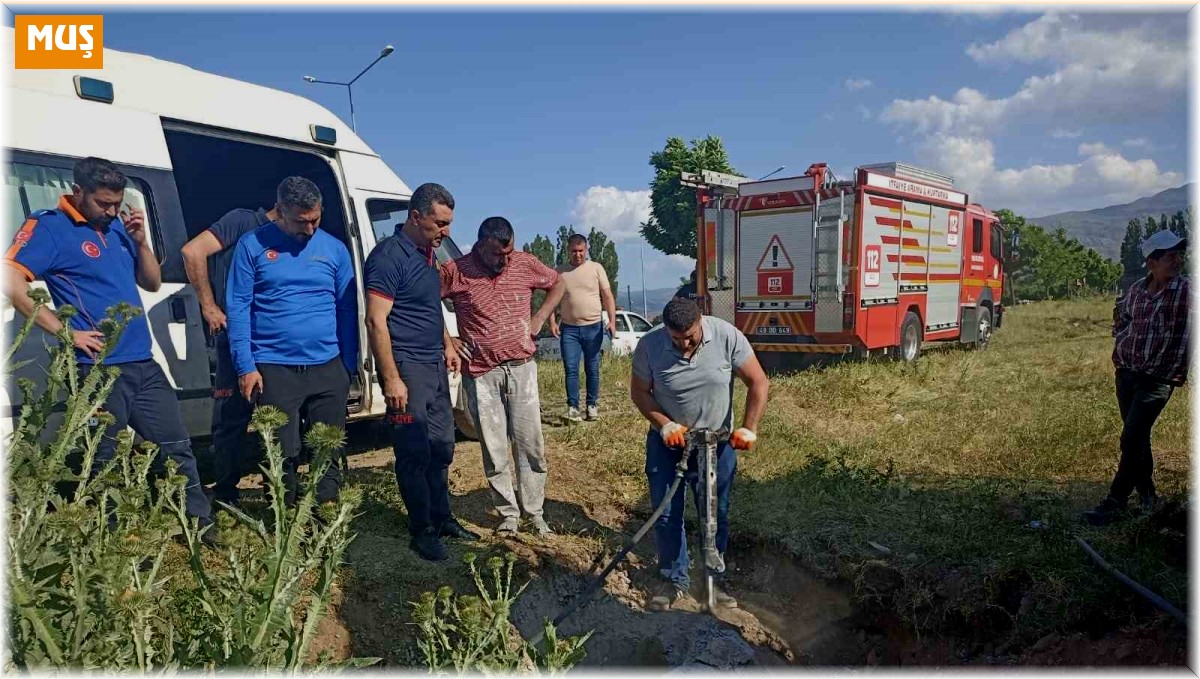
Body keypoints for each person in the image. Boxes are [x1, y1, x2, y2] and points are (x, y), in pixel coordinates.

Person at [3, 156, 216, 543]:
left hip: (143, 363)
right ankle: (111, 536)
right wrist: (66, 332)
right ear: (78, 192)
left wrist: (141, 242)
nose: (112, 210)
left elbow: (151, 284)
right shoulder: (50, 228)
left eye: (117, 203)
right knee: (103, 459)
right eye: (104, 204)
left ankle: (198, 527)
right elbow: (11, 280)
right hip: (97, 370)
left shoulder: (118, 228)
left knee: (177, 446)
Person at [630, 296, 769, 611]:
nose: (684, 343)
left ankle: (712, 582)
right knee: (666, 515)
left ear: (700, 322)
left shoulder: (726, 336)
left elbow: (758, 381)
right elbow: (639, 392)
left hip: (717, 442)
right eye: (676, 338)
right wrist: (663, 424)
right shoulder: (650, 346)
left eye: (689, 336)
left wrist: (749, 427)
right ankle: (673, 578)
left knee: (715, 513)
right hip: (670, 445)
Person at [226, 176, 358, 507]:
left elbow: (346, 309)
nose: (310, 229)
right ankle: (283, 522)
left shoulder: (334, 249)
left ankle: (324, 516)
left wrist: (348, 364)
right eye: (301, 222)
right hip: (274, 367)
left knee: (327, 447)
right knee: (281, 452)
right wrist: (246, 366)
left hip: (328, 366)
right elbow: (238, 308)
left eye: (315, 219)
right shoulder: (252, 246)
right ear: (281, 211)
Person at [364, 183, 479, 561]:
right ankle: (421, 528)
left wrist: (447, 345)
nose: (445, 231)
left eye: (448, 223)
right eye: (440, 223)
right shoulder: (387, 258)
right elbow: (376, 321)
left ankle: (443, 517)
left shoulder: (429, 255)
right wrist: (392, 378)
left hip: (433, 364)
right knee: (413, 451)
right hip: (406, 367)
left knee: (442, 445)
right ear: (416, 217)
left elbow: (429, 308)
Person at [441, 217, 566, 537]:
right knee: (495, 449)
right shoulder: (457, 270)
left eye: (509, 253)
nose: (505, 260)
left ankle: (535, 513)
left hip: (522, 368)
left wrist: (539, 317)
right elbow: (426, 300)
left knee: (530, 444)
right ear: (481, 245)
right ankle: (508, 514)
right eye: (499, 254)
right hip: (481, 374)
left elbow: (559, 282)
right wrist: (449, 341)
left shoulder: (525, 263)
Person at [1083, 230, 1189, 526]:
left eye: (1178, 255)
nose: (1177, 260)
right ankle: (1148, 498)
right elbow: (1122, 318)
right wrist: (1121, 340)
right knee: (1138, 439)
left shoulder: (1185, 292)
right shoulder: (1136, 291)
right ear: (1152, 261)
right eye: (1170, 256)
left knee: (1130, 438)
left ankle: (1115, 500)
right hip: (1127, 374)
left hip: (1158, 379)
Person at [181, 203, 278, 507]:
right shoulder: (241, 220)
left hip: (271, 341)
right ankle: (226, 495)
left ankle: (274, 491)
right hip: (234, 337)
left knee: (274, 418)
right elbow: (192, 252)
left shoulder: (289, 239)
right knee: (232, 419)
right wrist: (209, 306)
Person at [549, 233, 617, 423]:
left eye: (581, 251)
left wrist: (612, 321)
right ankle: (572, 407)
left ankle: (591, 405)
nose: (577, 255)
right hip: (569, 329)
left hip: (593, 327)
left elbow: (608, 296)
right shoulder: (559, 272)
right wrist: (552, 322)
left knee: (592, 368)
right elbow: (551, 302)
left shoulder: (596, 268)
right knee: (571, 368)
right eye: (574, 251)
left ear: (586, 250)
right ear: (568, 250)